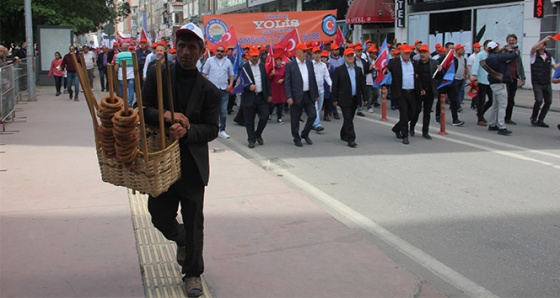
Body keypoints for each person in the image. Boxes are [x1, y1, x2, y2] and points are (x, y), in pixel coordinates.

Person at [141, 23, 220, 298]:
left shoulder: (210, 90)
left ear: (201, 52)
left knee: (194, 219)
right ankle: (180, 237)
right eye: (182, 46)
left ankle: (193, 273)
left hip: (191, 165)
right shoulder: (157, 75)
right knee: (159, 215)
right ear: (175, 48)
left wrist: (187, 131)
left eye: (192, 48)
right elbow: (141, 109)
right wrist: (163, 116)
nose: (186, 52)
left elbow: (212, 128)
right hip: (161, 163)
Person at [284, 43, 320, 147]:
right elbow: (287, 82)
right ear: (298, 52)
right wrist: (289, 96)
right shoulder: (290, 65)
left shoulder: (309, 63)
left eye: (306, 51)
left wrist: (316, 93)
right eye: (303, 51)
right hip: (296, 96)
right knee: (295, 119)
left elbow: (313, 79)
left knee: (313, 115)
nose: (306, 53)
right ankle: (296, 138)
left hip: (308, 94)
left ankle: (305, 133)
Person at [331, 47, 366, 148]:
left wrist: (365, 97)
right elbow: (335, 86)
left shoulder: (358, 70)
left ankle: (343, 133)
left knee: (349, 118)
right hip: (344, 98)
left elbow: (362, 84)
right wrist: (334, 99)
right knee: (348, 117)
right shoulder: (339, 70)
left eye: (352, 55)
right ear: (345, 57)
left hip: (355, 98)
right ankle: (351, 138)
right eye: (348, 56)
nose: (350, 57)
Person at [240, 47, 272, 148]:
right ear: (249, 56)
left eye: (256, 56)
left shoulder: (262, 66)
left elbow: (266, 81)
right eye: (253, 56)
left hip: (261, 96)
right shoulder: (243, 68)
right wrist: (248, 87)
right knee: (249, 120)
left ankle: (258, 133)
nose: (255, 58)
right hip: (249, 97)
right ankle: (251, 139)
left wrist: (269, 94)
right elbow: (239, 83)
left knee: (265, 117)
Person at [386, 44, 417, 145]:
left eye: (409, 53)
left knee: (412, 113)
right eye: (406, 53)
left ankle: (396, 128)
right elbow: (386, 69)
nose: (407, 55)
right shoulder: (394, 62)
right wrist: (384, 70)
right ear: (401, 52)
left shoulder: (413, 62)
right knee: (404, 113)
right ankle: (405, 135)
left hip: (411, 91)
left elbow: (417, 77)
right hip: (400, 92)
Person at [202, 44, 234, 140]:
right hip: (212, 90)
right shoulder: (209, 61)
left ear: (225, 52)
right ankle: (211, 129)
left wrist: (230, 84)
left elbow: (231, 75)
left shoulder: (228, 62)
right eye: (218, 51)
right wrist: (207, 86)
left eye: (221, 51)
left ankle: (222, 130)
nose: (219, 53)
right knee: (212, 110)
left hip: (224, 89)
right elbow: (204, 74)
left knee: (223, 111)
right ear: (216, 51)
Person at [485, 41, 517, 135]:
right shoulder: (498, 56)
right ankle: (501, 126)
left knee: (495, 105)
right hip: (500, 83)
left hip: (493, 83)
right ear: (496, 48)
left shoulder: (490, 58)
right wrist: (510, 50)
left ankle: (492, 124)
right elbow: (514, 55)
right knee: (502, 106)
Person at [411, 44, 441, 140]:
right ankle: (412, 127)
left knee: (427, 112)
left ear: (428, 53)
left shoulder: (434, 63)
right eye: (421, 52)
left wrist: (440, 71)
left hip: (430, 91)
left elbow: (439, 78)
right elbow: (415, 78)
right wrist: (419, 88)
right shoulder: (416, 63)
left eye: (424, 52)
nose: (422, 54)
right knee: (417, 110)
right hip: (419, 91)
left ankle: (425, 131)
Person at [529, 35, 556, 128]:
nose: (539, 46)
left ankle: (541, 120)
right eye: (538, 44)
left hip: (547, 82)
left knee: (548, 102)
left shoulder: (549, 56)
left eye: (541, 45)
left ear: (544, 47)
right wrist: (544, 39)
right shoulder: (534, 55)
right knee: (539, 100)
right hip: (537, 82)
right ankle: (534, 117)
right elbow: (533, 48)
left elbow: (555, 67)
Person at [504, 34, 526, 125]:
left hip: (514, 77)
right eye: (510, 40)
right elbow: (505, 61)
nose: (511, 42)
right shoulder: (504, 51)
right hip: (506, 77)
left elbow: (520, 64)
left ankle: (508, 117)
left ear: (516, 41)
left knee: (511, 99)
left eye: (513, 40)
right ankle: (499, 116)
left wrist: (522, 77)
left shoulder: (517, 51)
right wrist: (511, 53)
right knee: (503, 99)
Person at [471, 40, 494, 126]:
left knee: (491, 100)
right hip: (481, 80)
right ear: (484, 47)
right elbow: (476, 65)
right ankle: (480, 118)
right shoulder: (481, 55)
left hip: (490, 80)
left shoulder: (492, 55)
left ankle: (481, 113)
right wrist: (475, 76)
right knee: (481, 100)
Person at [311, 46, 332, 132]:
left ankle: (312, 122)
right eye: (315, 53)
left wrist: (331, 84)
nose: (317, 55)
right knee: (315, 108)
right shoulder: (310, 64)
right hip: (313, 90)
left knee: (319, 108)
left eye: (318, 53)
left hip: (321, 90)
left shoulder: (323, 65)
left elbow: (326, 76)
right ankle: (317, 124)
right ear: (312, 55)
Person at [269, 54, 286, 124]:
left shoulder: (284, 68)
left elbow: (287, 76)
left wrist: (283, 80)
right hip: (273, 88)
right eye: (277, 60)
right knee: (272, 103)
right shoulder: (272, 68)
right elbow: (268, 79)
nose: (278, 62)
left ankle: (279, 118)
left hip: (281, 88)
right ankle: (269, 114)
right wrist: (271, 75)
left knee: (281, 103)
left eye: (280, 60)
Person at [321, 50, 337, 122]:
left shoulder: (331, 67)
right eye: (323, 57)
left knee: (328, 100)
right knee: (321, 101)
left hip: (327, 86)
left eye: (325, 57)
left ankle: (326, 114)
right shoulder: (318, 65)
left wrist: (332, 84)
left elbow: (333, 76)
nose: (324, 59)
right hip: (320, 85)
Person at [467, 43, 482, 109]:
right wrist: (471, 76)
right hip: (474, 75)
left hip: (479, 75)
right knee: (475, 90)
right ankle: (475, 104)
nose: (479, 49)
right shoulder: (472, 57)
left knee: (478, 90)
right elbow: (469, 67)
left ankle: (474, 104)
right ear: (474, 48)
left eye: (479, 47)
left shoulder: (480, 56)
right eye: (477, 47)